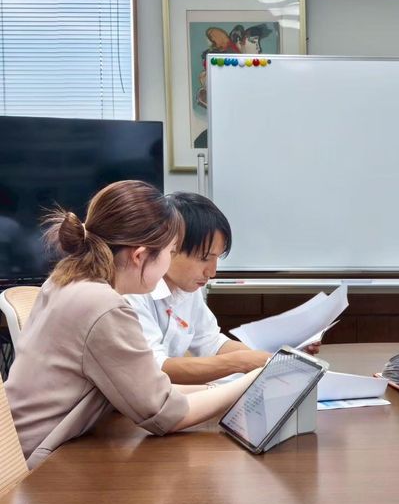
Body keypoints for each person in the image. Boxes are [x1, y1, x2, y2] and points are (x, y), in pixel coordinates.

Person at [4, 181, 262, 469]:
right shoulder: (104, 306)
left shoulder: (68, 279)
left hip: (24, 448)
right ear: (140, 256)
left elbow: (149, 391)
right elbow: (166, 415)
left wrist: (225, 386)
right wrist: (249, 381)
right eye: (170, 251)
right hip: (39, 465)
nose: (169, 262)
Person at [126, 192, 318, 385]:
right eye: (204, 258)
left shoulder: (187, 287)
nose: (212, 272)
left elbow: (211, 343)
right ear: (170, 247)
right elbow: (154, 367)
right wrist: (240, 362)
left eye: (217, 258)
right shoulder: (132, 292)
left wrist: (280, 358)